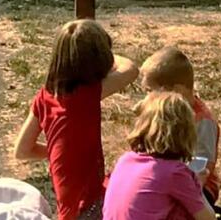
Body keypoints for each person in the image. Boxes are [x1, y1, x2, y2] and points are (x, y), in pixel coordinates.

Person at [13, 19, 139, 220]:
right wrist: (103, 53)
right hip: (87, 205)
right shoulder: (86, 96)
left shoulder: (44, 97)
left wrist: (57, 152)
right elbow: (131, 68)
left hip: (68, 207)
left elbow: (22, 151)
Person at [103, 92, 216, 220]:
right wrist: (197, 185)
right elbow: (208, 218)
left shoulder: (125, 160)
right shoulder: (174, 172)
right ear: (186, 133)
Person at [140, 47, 221, 209]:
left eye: (150, 91)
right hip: (167, 179)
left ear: (176, 91)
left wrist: (170, 180)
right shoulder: (162, 114)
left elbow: (201, 168)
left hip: (198, 188)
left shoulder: (202, 122)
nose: (146, 98)